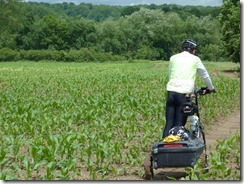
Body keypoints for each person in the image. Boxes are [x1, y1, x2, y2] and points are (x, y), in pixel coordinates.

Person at [162, 39, 215, 138]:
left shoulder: (173, 58)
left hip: (171, 92)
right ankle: (178, 150)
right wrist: (211, 88)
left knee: (169, 124)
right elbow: (205, 75)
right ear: (193, 50)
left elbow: (170, 74)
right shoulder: (195, 59)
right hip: (184, 94)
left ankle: (164, 146)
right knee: (179, 125)